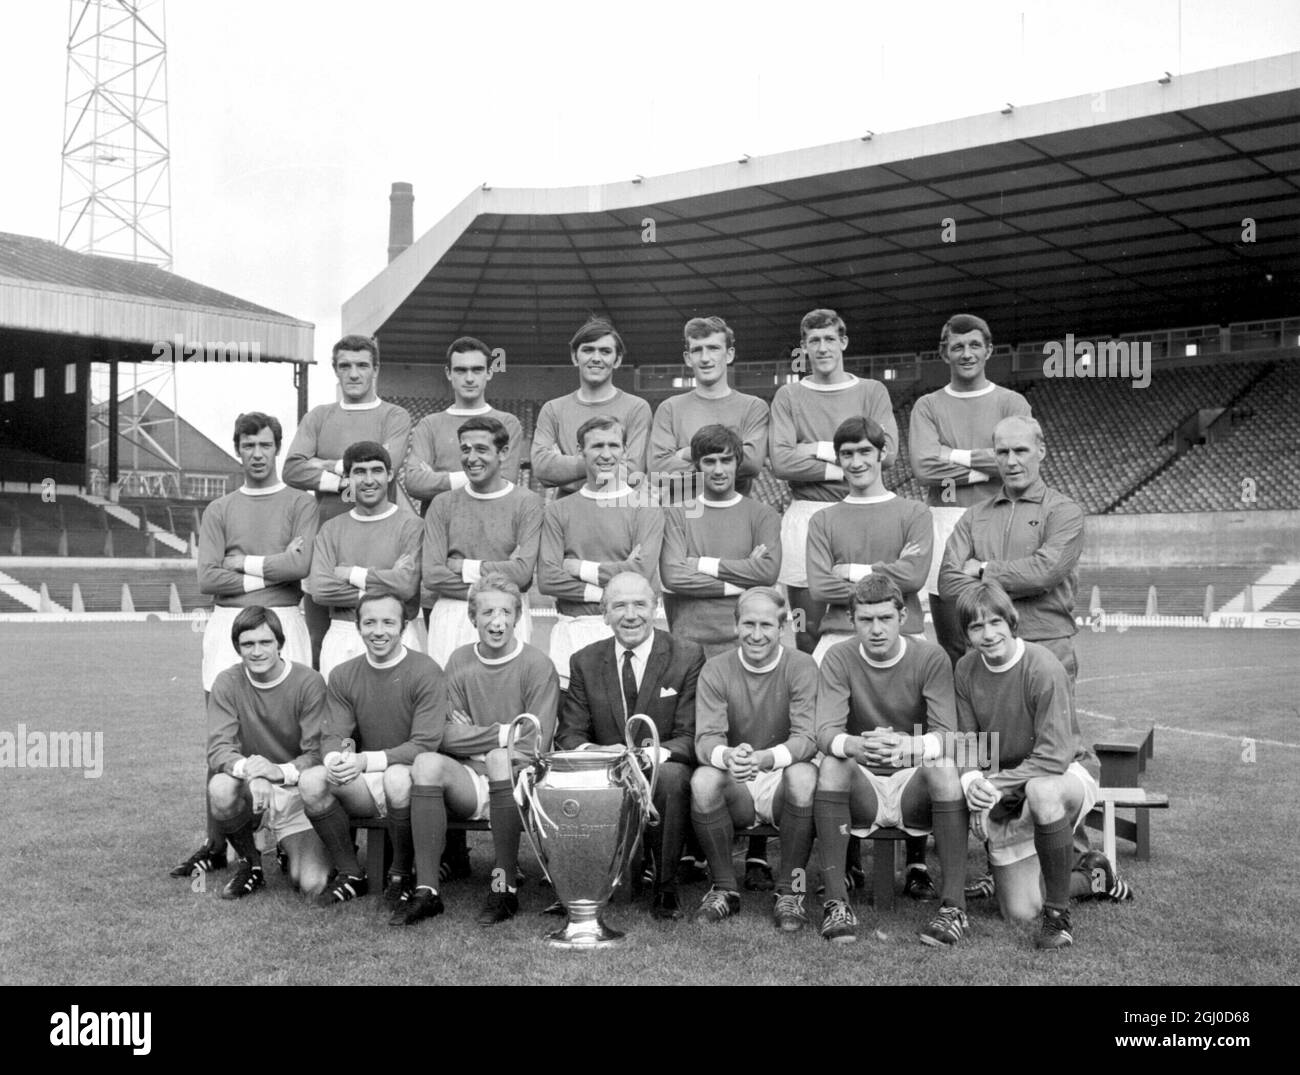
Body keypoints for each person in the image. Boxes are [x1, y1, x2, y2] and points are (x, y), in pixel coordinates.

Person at [171, 412, 316, 879]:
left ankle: (295, 837)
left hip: (287, 621)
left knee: (293, 727)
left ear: (278, 448)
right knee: (221, 731)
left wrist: (244, 566)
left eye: (266, 445)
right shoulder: (220, 508)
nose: (258, 453)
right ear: (238, 449)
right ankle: (218, 843)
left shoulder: (300, 503)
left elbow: (302, 566)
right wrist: (272, 568)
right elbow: (208, 576)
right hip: (226, 625)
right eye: (249, 445)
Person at [812, 576, 970, 946]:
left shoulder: (930, 657)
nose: (876, 629)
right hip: (864, 787)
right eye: (866, 620)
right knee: (833, 762)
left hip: (913, 786)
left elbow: (947, 733)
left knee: (944, 766)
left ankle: (954, 907)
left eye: (885, 618)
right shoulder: (838, 657)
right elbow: (824, 733)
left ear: (903, 615)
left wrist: (907, 747)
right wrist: (856, 745)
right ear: (852, 620)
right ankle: (836, 903)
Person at [395, 575, 559, 928]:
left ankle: (504, 887)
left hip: (520, 781)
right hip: (470, 777)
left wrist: (479, 739)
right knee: (425, 763)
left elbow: (533, 743)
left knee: (502, 758)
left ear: (517, 617)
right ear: (473, 618)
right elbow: (442, 735)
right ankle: (427, 891)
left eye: (505, 612)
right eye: (487, 612)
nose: (496, 621)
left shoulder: (537, 665)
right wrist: (503, 732)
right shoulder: (459, 660)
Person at [953, 582, 1103, 949]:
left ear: (1011, 621)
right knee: (1019, 910)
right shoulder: (965, 669)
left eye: (994, 623)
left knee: (1041, 790)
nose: (988, 635)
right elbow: (969, 741)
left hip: (1065, 772)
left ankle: (1057, 919)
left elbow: (1053, 755)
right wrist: (973, 779)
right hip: (1007, 784)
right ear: (967, 634)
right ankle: (1096, 876)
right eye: (976, 627)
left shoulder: (1042, 665)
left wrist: (994, 785)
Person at [556, 572, 703, 920]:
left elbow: (689, 733)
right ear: (605, 614)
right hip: (609, 767)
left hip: (663, 763)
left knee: (669, 778)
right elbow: (570, 736)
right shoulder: (584, 661)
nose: (631, 614)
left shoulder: (687, 655)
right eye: (619, 606)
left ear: (656, 608)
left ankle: (665, 885)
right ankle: (585, 882)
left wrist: (646, 756)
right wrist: (601, 755)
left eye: (640, 604)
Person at [299, 593, 448, 906]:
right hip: (366, 779)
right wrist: (338, 759)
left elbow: (425, 744)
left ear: (404, 627)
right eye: (369, 622)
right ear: (358, 627)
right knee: (312, 781)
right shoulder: (343, 673)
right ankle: (351, 873)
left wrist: (365, 760)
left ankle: (401, 873)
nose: (378, 631)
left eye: (388, 622)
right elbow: (335, 734)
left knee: (396, 777)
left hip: (412, 778)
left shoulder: (426, 670)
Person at [769, 308, 898, 653]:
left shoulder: (872, 391)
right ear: (804, 347)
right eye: (814, 341)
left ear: (843, 342)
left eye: (829, 339)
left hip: (861, 513)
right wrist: (850, 464)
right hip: (807, 514)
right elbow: (781, 461)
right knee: (805, 628)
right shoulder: (789, 396)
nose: (822, 348)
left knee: (868, 615)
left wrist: (813, 448)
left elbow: (890, 454)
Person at [690, 588, 819, 930]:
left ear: (781, 628)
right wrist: (728, 755)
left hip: (780, 773)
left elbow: (808, 738)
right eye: (748, 624)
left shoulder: (802, 665)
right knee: (703, 780)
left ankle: (791, 890)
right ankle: (724, 888)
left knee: (805, 776)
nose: (756, 634)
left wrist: (763, 758)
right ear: (736, 626)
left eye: (766, 625)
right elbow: (705, 739)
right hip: (739, 778)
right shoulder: (716, 668)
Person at [910, 314, 1031, 665]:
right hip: (945, 522)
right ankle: (960, 721)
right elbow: (924, 468)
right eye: (957, 346)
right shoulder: (928, 406)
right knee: (955, 643)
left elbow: (1019, 463)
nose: (966, 353)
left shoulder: (1012, 403)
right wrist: (992, 466)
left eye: (975, 345)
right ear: (943, 352)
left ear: (989, 350)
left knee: (1005, 635)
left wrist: (953, 455)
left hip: (1001, 518)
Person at [283, 335, 411, 667]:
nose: (354, 374)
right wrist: (347, 476)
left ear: (376, 370)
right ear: (335, 370)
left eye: (362, 366)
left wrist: (328, 464)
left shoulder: (394, 416)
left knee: (387, 644)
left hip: (381, 540)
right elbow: (293, 469)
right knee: (319, 649)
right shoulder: (319, 416)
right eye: (345, 366)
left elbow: (389, 468)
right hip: (327, 540)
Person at [938, 414, 1083, 685]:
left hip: (1045, 644)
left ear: (1041, 451)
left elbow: (1044, 573)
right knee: (984, 729)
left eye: (1020, 451)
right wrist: (1017, 582)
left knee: (1048, 727)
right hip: (984, 647)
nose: (1011, 461)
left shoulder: (1064, 511)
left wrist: (983, 570)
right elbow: (947, 582)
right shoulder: (973, 516)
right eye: (1002, 452)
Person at [205, 606, 331, 899]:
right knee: (220, 787)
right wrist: (255, 773)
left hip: (296, 789)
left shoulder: (309, 682)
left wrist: (276, 772)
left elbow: (316, 753)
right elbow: (219, 749)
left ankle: (289, 848)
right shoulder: (226, 682)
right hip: (253, 789)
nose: (257, 651)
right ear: (238, 647)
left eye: (265, 642)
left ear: (280, 644)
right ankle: (252, 865)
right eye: (248, 644)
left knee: (313, 884)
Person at [538, 415, 664, 688]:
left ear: (625, 451)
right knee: (573, 726)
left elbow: (642, 575)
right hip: (573, 628)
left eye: (613, 445)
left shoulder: (646, 507)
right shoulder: (558, 510)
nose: (606, 455)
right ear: (580, 451)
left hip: (628, 631)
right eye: (596, 446)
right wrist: (614, 584)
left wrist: (581, 568)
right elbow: (548, 578)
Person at [806, 415, 932, 662]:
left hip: (904, 632)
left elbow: (913, 577)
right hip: (840, 634)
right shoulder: (822, 519)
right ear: (838, 458)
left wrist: (850, 571)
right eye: (847, 454)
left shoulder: (916, 513)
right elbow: (820, 587)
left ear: (882, 452)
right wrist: (892, 573)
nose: (856, 463)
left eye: (865, 451)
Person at [421, 416, 543, 667]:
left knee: (506, 698)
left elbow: (521, 573)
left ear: (504, 452)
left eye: (482, 449)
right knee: (449, 699)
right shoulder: (442, 503)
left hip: (506, 613)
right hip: (452, 614)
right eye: (465, 450)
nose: (471, 458)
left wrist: (463, 566)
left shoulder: (526, 502)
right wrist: (500, 572)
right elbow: (432, 575)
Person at [660, 424, 781, 658]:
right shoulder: (676, 513)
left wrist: (699, 565)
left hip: (745, 641)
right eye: (709, 461)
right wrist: (745, 581)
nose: (718, 470)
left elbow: (767, 574)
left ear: (738, 463)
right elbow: (674, 576)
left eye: (726, 460)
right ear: (697, 465)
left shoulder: (763, 515)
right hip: (689, 640)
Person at [308, 441, 425, 680]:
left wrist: (353, 574)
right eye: (359, 472)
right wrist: (386, 584)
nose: (369, 480)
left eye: (376, 470)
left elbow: (406, 586)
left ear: (390, 474)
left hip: (397, 633)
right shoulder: (331, 529)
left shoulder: (411, 526)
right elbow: (320, 590)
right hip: (344, 633)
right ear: (347, 478)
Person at [648, 316, 769, 503]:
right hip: (682, 520)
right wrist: (727, 461)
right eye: (697, 350)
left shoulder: (753, 407)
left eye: (713, 348)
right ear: (688, 358)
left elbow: (751, 464)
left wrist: (686, 453)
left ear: (729, 355)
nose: (705, 358)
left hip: (732, 518)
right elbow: (658, 469)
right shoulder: (669, 408)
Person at [531, 317, 651, 498]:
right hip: (568, 510)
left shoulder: (637, 408)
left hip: (618, 508)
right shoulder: (553, 409)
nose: (596, 358)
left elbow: (633, 474)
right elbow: (542, 468)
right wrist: (608, 463)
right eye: (588, 350)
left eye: (605, 351)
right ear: (574, 357)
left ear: (617, 360)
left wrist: (567, 466)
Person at [403, 336, 523, 516]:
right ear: (448, 373)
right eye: (460, 370)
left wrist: (438, 478)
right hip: (439, 530)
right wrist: (483, 474)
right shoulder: (429, 424)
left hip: (491, 524)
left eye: (477, 370)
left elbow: (506, 480)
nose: (469, 378)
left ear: (489, 373)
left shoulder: (507, 423)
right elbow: (414, 483)